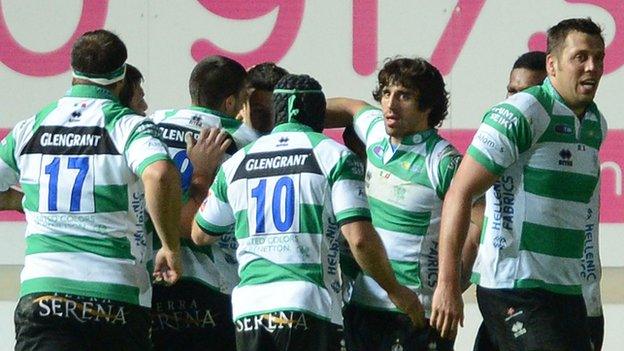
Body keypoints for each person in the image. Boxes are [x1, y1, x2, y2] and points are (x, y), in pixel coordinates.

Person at [191, 73, 423, 351]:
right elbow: (358, 238)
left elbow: (201, 234)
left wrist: (202, 174)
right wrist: (395, 290)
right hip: (307, 304)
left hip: (249, 308)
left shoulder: (237, 162)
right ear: (320, 116)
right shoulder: (335, 157)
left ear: (277, 114)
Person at [431, 18, 607, 351]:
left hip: (565, 290)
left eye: (599, 58)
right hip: (514, 286)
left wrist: (590, 293)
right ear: (552, 65)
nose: (592, 67)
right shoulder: (522, 112)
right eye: (581, 57)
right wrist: (447, 284)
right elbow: (460, 191)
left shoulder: (595, 121)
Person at [0, 29, 182, 351]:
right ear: (121, 78)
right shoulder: (127, 125)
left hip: (44, 292)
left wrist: (20, 200)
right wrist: (170, 246)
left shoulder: (31, 127)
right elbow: (159, 173)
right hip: (115, 294)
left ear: (72, 73)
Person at [325, 57, 481, 350]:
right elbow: (351, 108)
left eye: (404, 96)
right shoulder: (375, 134)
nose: (390, 105)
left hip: (415, 314)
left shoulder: (443, 161)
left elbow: (481, 217)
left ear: (428, 106)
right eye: (386, 93)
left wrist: (452, 284)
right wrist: (289, 120)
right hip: (362, 307)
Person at [149, 55, 257, 351]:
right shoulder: (242, 142)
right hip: (213, 284)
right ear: (232, 103)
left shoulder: (150, 125)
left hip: (153, 279)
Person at [465, 50, 547, 351]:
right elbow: (475, 215)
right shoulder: (500, 139)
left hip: (549, 299)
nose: (515, 103)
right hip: (502, 293)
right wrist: (449, 287)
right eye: (511, 91)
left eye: (526, 95)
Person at [237, 62, 289, 134]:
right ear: (241, 108)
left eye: (278, 111)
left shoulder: (301, 142)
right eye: (259, 111)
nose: (270, 122)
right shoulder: (227, 143)